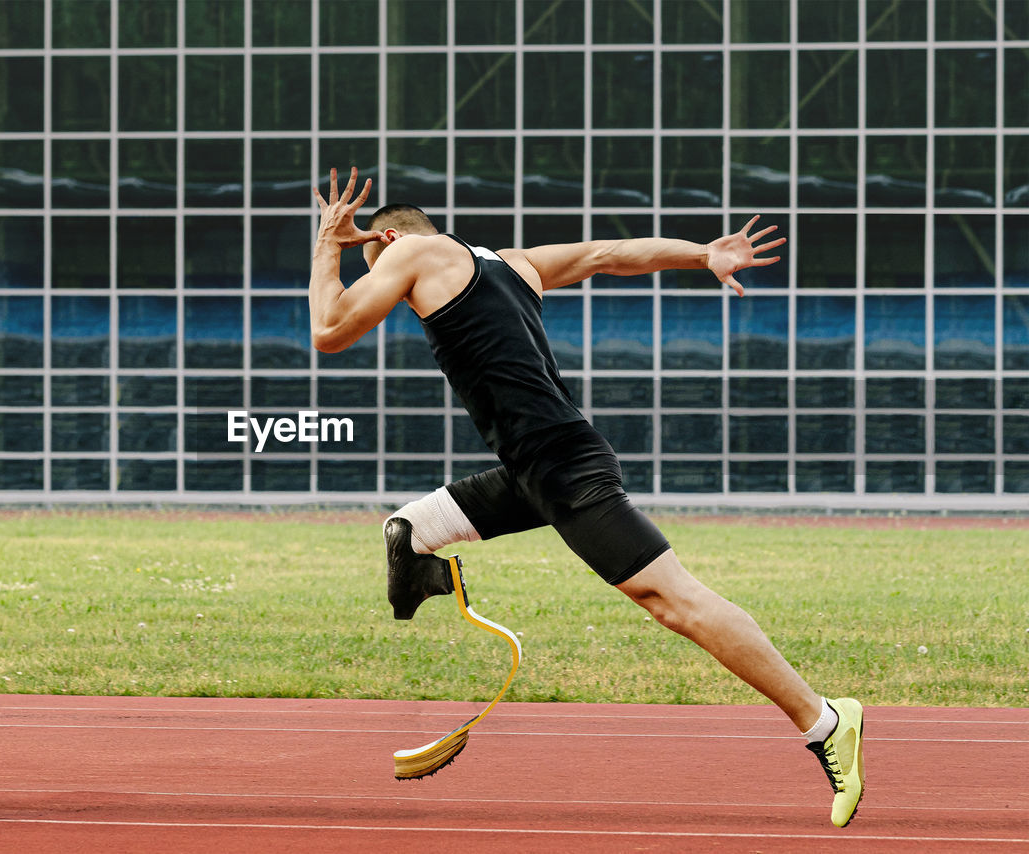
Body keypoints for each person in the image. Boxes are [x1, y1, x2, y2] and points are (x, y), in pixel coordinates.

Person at [308, 167, 865, 828]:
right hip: (532, 471)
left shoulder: (412, 251)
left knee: (674, 601)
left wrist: (328, 246)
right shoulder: (510, 265)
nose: (391, 292)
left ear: (393, 238)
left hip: (563, 468)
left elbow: (330, 330)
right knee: (409, 528)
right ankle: (425, 585)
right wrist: (701, 254)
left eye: (380, 275)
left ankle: (825, 719)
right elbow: (607, 255)